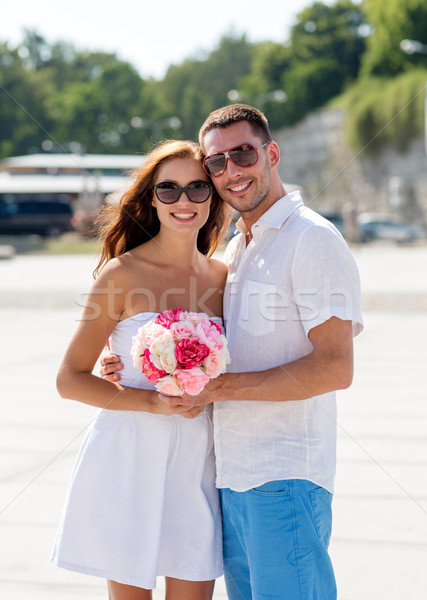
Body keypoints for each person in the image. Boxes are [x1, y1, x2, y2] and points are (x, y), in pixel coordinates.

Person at [101, 105, 364, 600]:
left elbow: (335, 367)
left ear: (271, 153)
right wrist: (132, 362)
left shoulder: (311, 239)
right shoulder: (236, 251)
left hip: (284, 478)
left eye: (242, 153)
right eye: (215, 163)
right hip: (230, 478)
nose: (230, 171)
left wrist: (217, 388)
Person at [51, 140, 231, 600]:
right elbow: (69, 378)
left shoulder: (223, 278)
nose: (184, 201)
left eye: (196, 188)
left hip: (198, 459)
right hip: (129, 454)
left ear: (213, 196)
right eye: (168, 189)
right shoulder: (120, 275)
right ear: (151, 198)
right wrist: (148, 398)